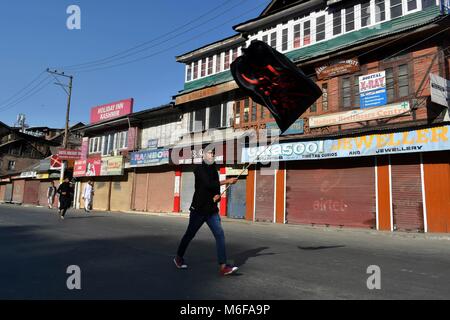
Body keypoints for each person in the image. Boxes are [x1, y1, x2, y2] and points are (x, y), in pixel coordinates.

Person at [174, 148, 239, 276]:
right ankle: (178, 257)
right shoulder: (199, 169)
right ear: (203, 155)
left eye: (214, 153)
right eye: (210, 153)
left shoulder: (214, 170)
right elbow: (208, 184)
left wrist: (218, 195)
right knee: (190, 235)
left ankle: (223, 266)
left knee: (220, 235)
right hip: (198, 209)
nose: (212, 155)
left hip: (212, 210)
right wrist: (227, 181)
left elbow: (214, 189)